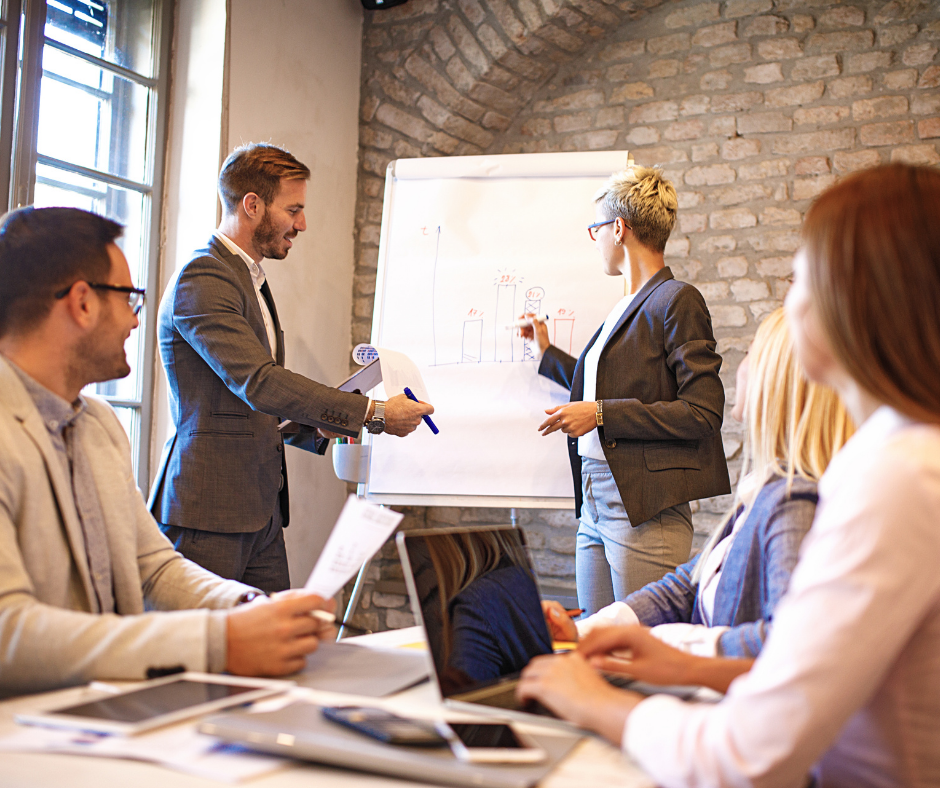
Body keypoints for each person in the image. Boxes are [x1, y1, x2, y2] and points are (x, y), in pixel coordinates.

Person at [517, 163, 940, 786]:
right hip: (600, 505)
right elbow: (713, 608)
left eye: (800, 276)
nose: (788, 298)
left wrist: (596, 700)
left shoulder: (897, 478)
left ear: (857, 296)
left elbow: (749, 754)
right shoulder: (881, 460)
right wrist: (618, 640)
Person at [0, 206, 336, 699]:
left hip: (103, 713)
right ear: (82, 303)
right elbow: (9, 632)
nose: (137, 321)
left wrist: (247, 606)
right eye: (130, 298)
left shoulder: (98, 425)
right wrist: (214, 643)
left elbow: (154, 568)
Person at [148, 143, 432, 592]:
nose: (302, 224)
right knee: (206, 655)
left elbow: (244, 401)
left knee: (276, 655)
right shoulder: (203, 276)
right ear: (253, 205)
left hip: (260, 510)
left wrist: (310, 425)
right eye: (294, 209)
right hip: (209, 511)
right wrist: (373, 414)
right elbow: (257, 382)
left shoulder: (248, 276)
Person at [543, 308, 853, 658]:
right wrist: (586, 630)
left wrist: (666, 645)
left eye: (751, 352)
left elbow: (788, 641)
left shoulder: (795, 502)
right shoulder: (765, 490)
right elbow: (685, 588)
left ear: (778, 378)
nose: (740, 364)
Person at [522, 166, 730, 615]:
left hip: (642, 506)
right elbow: (606, 383)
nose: (593, 238)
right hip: (595, 501)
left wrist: (600, 413)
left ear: (618, 228)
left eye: (594, 228)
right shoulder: (625, 307)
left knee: (641, 653)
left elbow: (703, 412)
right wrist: (546, 352)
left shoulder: (677, 299)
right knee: (597, 648)